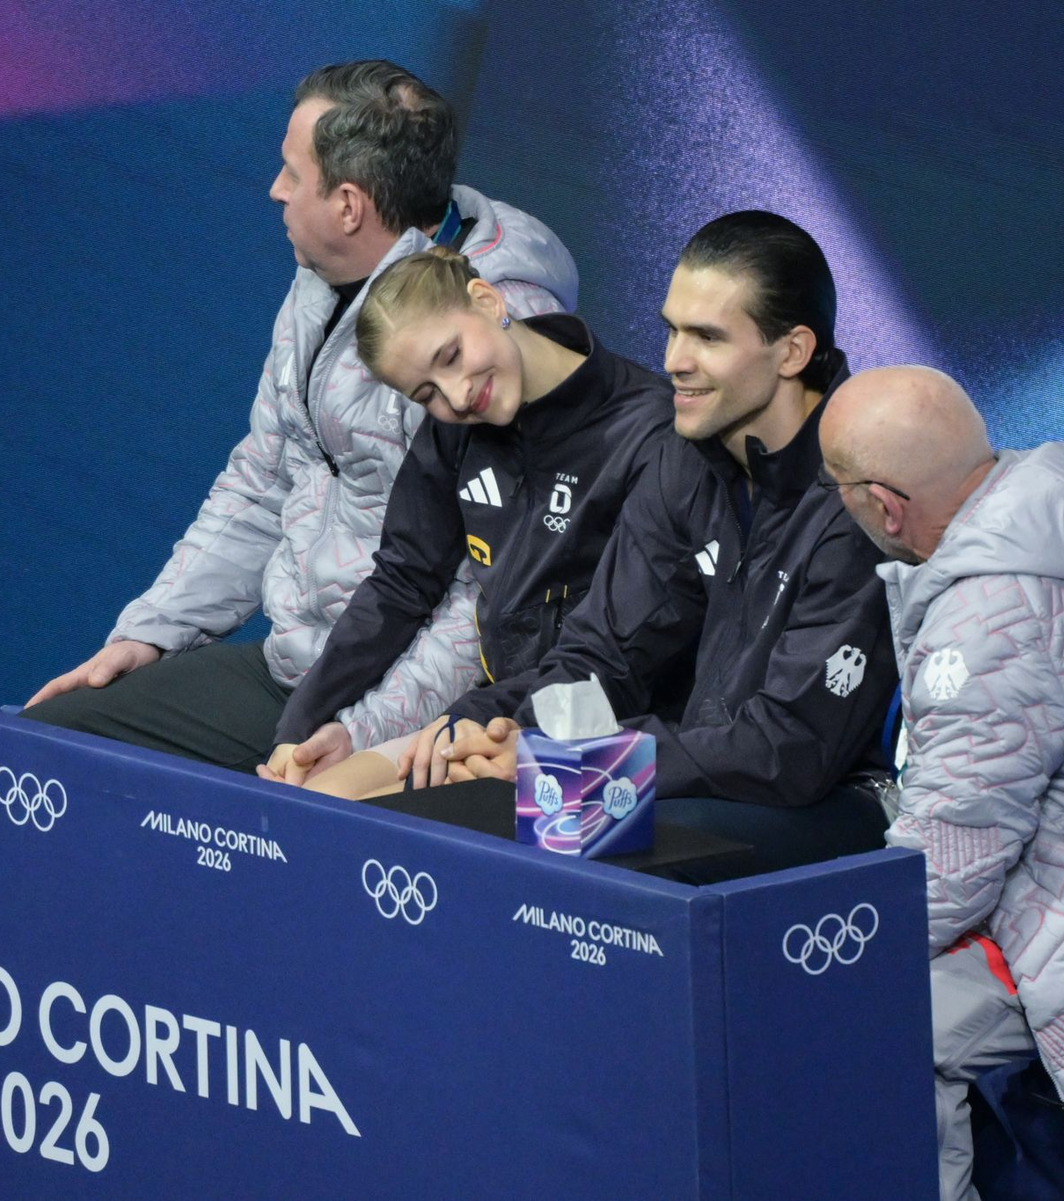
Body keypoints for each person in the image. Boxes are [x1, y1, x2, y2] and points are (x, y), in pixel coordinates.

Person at [21, 59, 577, 774]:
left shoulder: (488, 341)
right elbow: (263, 479)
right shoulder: (318, 281)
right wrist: (153, 633)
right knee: (52, 743)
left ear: (348, 205)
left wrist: (357, 732)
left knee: (298, 835)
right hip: (303, 670)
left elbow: (488, 595)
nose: (275, 190)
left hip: (436, 712)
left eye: (291, 173)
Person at [818, 365, 1064, 1201]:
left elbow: (946, 868)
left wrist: (833, 952)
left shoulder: (986, 619)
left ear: (885, 506)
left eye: (837, 487)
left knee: (873, 1022)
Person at [427, 212, 899, 879]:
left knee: (563, 829)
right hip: (704, 773)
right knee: (466, 806)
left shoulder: (857, 492)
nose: (674, 359)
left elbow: (790, 749)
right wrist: (503, 725)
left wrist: (583, 761)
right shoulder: (688, 459)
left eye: (705, 336)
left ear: (792, 351)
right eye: (672, 329)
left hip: (835, 799)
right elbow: (604, 652)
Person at [261, 245, 675, 795]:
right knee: (309, 793)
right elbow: (402, 581)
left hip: (604, 730)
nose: (456, 395)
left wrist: (476, 717)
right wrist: (302, 725)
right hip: (496, 717)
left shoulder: (651, 432)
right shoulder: (457, 426)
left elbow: (616, 655)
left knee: (346, 813)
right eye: (425, 393)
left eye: (451, 355)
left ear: (486, 300)